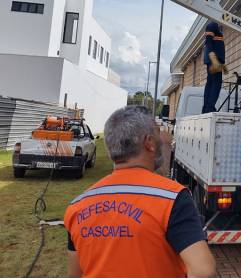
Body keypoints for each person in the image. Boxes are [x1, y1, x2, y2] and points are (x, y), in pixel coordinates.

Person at [64, 106, 216, 278]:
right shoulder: (172, 198)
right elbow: (203, 271)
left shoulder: (76, 207)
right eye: (158, 134)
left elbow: (74, 274)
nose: (162, 140)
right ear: (149, 143)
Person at [202, 21, 227, 113]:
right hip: (214, 61)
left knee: (210, 83)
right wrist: (214, 59)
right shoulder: (212, 25)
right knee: (215, 85)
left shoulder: (215, 27)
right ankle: (209, 107)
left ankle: (207, 108)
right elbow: (209, 42)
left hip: (216, 61)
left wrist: (222, 64)